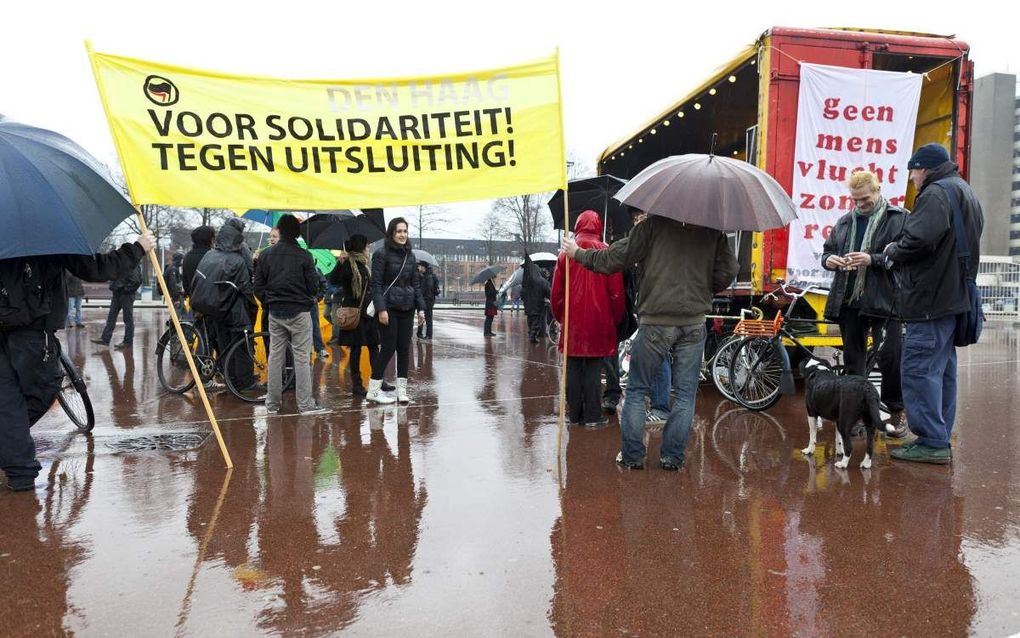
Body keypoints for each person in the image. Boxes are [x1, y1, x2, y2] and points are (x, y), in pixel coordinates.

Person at [562, 212, 737, 471]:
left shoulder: (653, 226)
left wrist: (578, 253)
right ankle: (672, 458)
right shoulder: (711, 230)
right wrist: (703, 286)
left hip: (656, 320)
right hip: (694, 321)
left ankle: (633, 456)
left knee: (636, 390)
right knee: (686, 395)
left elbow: (614, 258)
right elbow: (728, 271)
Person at [1, 232, 154, 491]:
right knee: (41, 392)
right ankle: (17, 462)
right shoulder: (46, 233)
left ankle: (19, 468)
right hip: (33, 329)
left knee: (6, 399)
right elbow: (96, 268)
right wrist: (138, 248)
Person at [883, 143, 983, 464]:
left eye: (912, 171)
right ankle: (938, 435)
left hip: (930, 298)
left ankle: (930, 441)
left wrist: (892, 250)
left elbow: (918, 240)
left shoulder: (935, 193)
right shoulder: (965, 192)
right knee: (942, 371)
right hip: (952, 298)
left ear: (923, 168)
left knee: (919, 369)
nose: (911, 178)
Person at [821, 170, 907, 436]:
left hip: (886, 300)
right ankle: (856, 413)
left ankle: (896, 411)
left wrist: (874, 259)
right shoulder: (845, 221)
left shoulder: (899, 218)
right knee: (853, 360)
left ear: (879, 190)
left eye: (865, 199)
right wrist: (829, 261)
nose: (860, 205)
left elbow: (908, 253)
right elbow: (827, 251)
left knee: (892, 356)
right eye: (855, 200)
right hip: (850, 300)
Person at [551, 211, 625, 427]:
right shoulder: (606, 252)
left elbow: (556, 292)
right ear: (598, 225)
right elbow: (616, 292)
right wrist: (616, 316)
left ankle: (574, 415)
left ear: (578, 225)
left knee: (572, 366)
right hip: (599, 318)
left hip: (573, 319)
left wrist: (559, 315)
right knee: (594, 365)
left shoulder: (566, 253)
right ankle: (593, 415)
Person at [254, 214, 329, 415]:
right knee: (302, 358)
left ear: (279, 231)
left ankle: (272, 404)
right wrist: (308, 298)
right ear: (297, 232)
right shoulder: (304, 256)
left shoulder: (266, 255)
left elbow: (258, 285)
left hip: (275, 312)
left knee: (275, 357)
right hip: (300, 312)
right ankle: (305, 404)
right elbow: (313, 286)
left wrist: (268, 301)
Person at [191, 217, 258, 392]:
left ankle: (230, 379)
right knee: (242, 345)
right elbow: (247, 283)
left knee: (224, 343)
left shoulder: (211, 253)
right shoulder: (240, 253)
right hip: (235, 308)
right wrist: (253, 307)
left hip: (214, 307)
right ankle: (245, 383)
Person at [368, 217, 425, 405]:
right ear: (392, 233)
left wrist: (421, 309)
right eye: (399, 231)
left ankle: (402, 391)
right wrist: (381, 309)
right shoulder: (381, 254)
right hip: (389, 308)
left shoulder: (411, 256)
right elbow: (375, 285)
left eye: (405, 231)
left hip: (407, 308)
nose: (402, 235)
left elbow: (415, 284)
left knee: (404, 349)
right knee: (388, 348)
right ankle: (374, 390)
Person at [329, 234, 379, 396]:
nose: (368, 247)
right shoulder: (349, 264)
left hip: (368, 314)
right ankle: (357, 385)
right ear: (360, 247)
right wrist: (340, 262)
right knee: (356, 349)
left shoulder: (365, 264)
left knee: (373, 346)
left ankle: (378, 379)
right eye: (366, 245)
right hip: (355, 314)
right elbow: (333, 280)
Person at [91, 262, 142, 349]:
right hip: (117, 293)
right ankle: (105, 339)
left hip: (126, 295)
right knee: (111, 317)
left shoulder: (132, 264)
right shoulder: (120, 262)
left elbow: (136, 281)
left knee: (128, 319)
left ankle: (128, 342)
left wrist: (126, 289)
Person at [522, 253, 551, 343]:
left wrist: (525, 300)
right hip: (538, 305)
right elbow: (548, 292)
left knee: (530, 320)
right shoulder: (542, 281)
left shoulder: (527, 282)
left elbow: (522, 293)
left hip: (528, 306)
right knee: (536, 321)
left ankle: (531, 333)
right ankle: (532, 336)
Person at [182, 225, 215, 300]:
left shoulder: (187, 257)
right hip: (211, 302)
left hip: (194, 301)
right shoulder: (213, 256)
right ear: (210, 239)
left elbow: (185, 283)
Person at [416, 261, 440, 342]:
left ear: (424, 267)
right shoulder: (421, 276)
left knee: (426, 318)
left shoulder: (429, 277)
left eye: (420, 266)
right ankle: (422, 334)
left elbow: (436, 290)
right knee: (423, 317)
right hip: (424, 300)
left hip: (426, 300)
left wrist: (437, 290)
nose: (419, 268)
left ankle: (426, 335)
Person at [162, 252, 185, 317]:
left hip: (172, 295)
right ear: (179, 259)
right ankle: (174, 326)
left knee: (174, 314)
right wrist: (176, 298)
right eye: (181, 259)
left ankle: (172, 324)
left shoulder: (171, 268)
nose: (182, 262)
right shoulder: (173, 269)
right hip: (175, 297)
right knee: (176, 314)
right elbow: (173, 284)